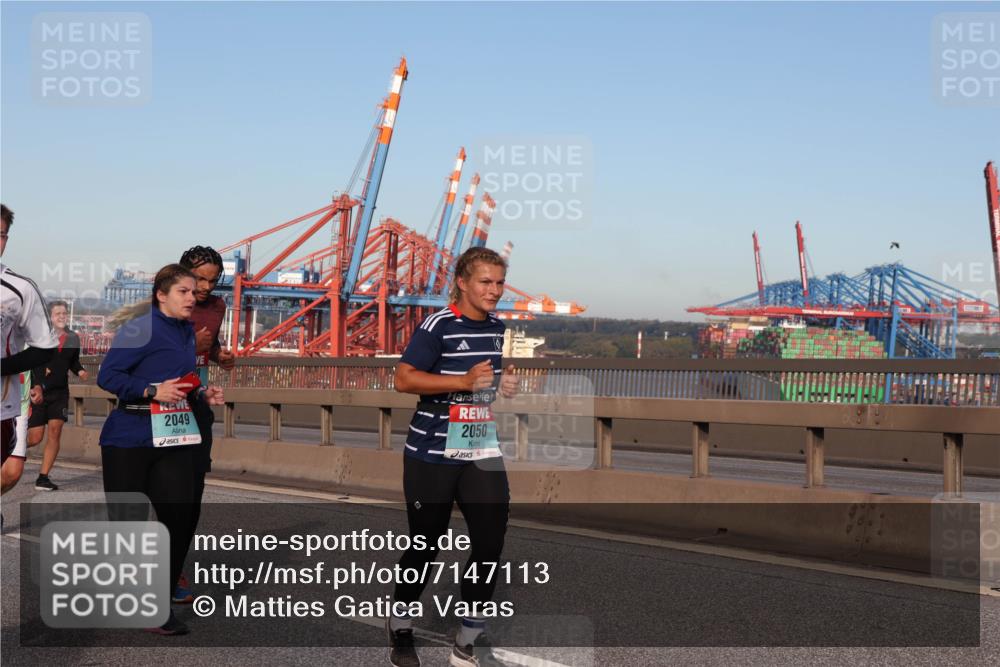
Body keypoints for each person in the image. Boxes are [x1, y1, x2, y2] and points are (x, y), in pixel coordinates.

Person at [387, 247, 519, 667]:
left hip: (479, 446)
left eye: (499, 282)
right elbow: (404, 380)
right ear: (463, 282)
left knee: (490, 540)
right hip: (431, 452)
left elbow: (481, 385)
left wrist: (501, 388)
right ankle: (401, 625)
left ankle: (468, 637)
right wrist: (461, 380)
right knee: (426, 544)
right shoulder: (437, 326)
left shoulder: (497, 328)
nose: (494, 291)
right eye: (486, 281)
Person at [98, 263, 225, 636]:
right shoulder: (140, 329)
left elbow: (180, 378)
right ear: (161, 295)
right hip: (129, 437)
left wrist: (202, 391)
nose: (193, 296)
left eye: (195, 290)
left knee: (180, 518)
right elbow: (109, 376)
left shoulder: (185, 330)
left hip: (172, 434)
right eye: (184, 291)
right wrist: (152, 390)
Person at [172, 245, 234, 603]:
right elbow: (145, 352)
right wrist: (190, 345)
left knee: (192, 496)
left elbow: (209, 347)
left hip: (196, 406)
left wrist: (218, 355)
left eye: (213, 280)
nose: (206, 287)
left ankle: (174, 566)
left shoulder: (217, 307)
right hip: (161, 406)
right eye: (199, 278)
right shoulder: (162, 303)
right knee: (168, 493)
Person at [1, 203, 58, 492]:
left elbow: (44, 347)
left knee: (10, 474)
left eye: (0, 234)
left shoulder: (20, 289)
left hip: (1, 407)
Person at [27, 300, 88, 491]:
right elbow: (32, 363)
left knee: (55, 431)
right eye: (57, 313)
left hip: (60, 392)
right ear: (50, 317)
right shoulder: (40, 337)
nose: (61, 316)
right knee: (35, 437)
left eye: (64, 313)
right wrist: (36, 385)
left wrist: (80, 371)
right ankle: (8, 451)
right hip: (39, 391)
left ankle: (43, 478)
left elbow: (73, 361)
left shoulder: (73, 338)